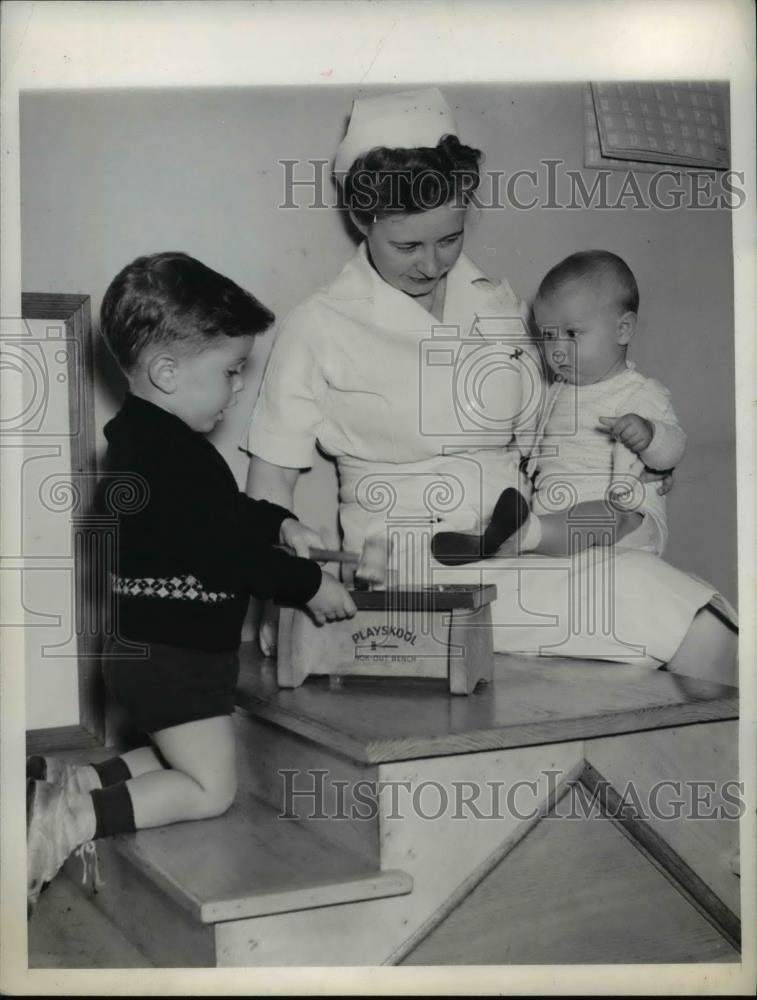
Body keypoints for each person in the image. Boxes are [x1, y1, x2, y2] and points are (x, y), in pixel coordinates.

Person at [243, 87, 737, 685]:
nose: (432, 264)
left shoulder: (499, 305)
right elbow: (269, 488)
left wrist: (643, 461)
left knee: (702, 619)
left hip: (528, 549)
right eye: (408, 245)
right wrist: (278, 595)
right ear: (361, 219)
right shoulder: (318, 326)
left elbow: (548, 433)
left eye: (449, 239)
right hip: (414, 573)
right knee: (668, 611)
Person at [26, 252, 356, 917]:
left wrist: (279, 519)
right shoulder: (170, 456)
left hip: (146, 651)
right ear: (167, 372)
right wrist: (304, 583)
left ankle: (70, 783)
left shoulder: (151, 446)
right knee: (209, 788)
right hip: (176, 658)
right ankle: (68, 824)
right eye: (231, 372)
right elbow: (222, 548)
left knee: (169, 753)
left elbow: (223, 518)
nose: (238, 389)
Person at [431, 250, 686, 563]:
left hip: (627, 521)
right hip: (556, 513)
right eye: (549, 336)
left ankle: (523, 535)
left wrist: (650, 436)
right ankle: (496, 538)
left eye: (572, 334)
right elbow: (534, 442)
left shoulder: (642, 393)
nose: (557, 351)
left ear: (623, 329)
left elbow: (673, 446)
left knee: (607, 515)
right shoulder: (556, 391)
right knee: (548, 520)